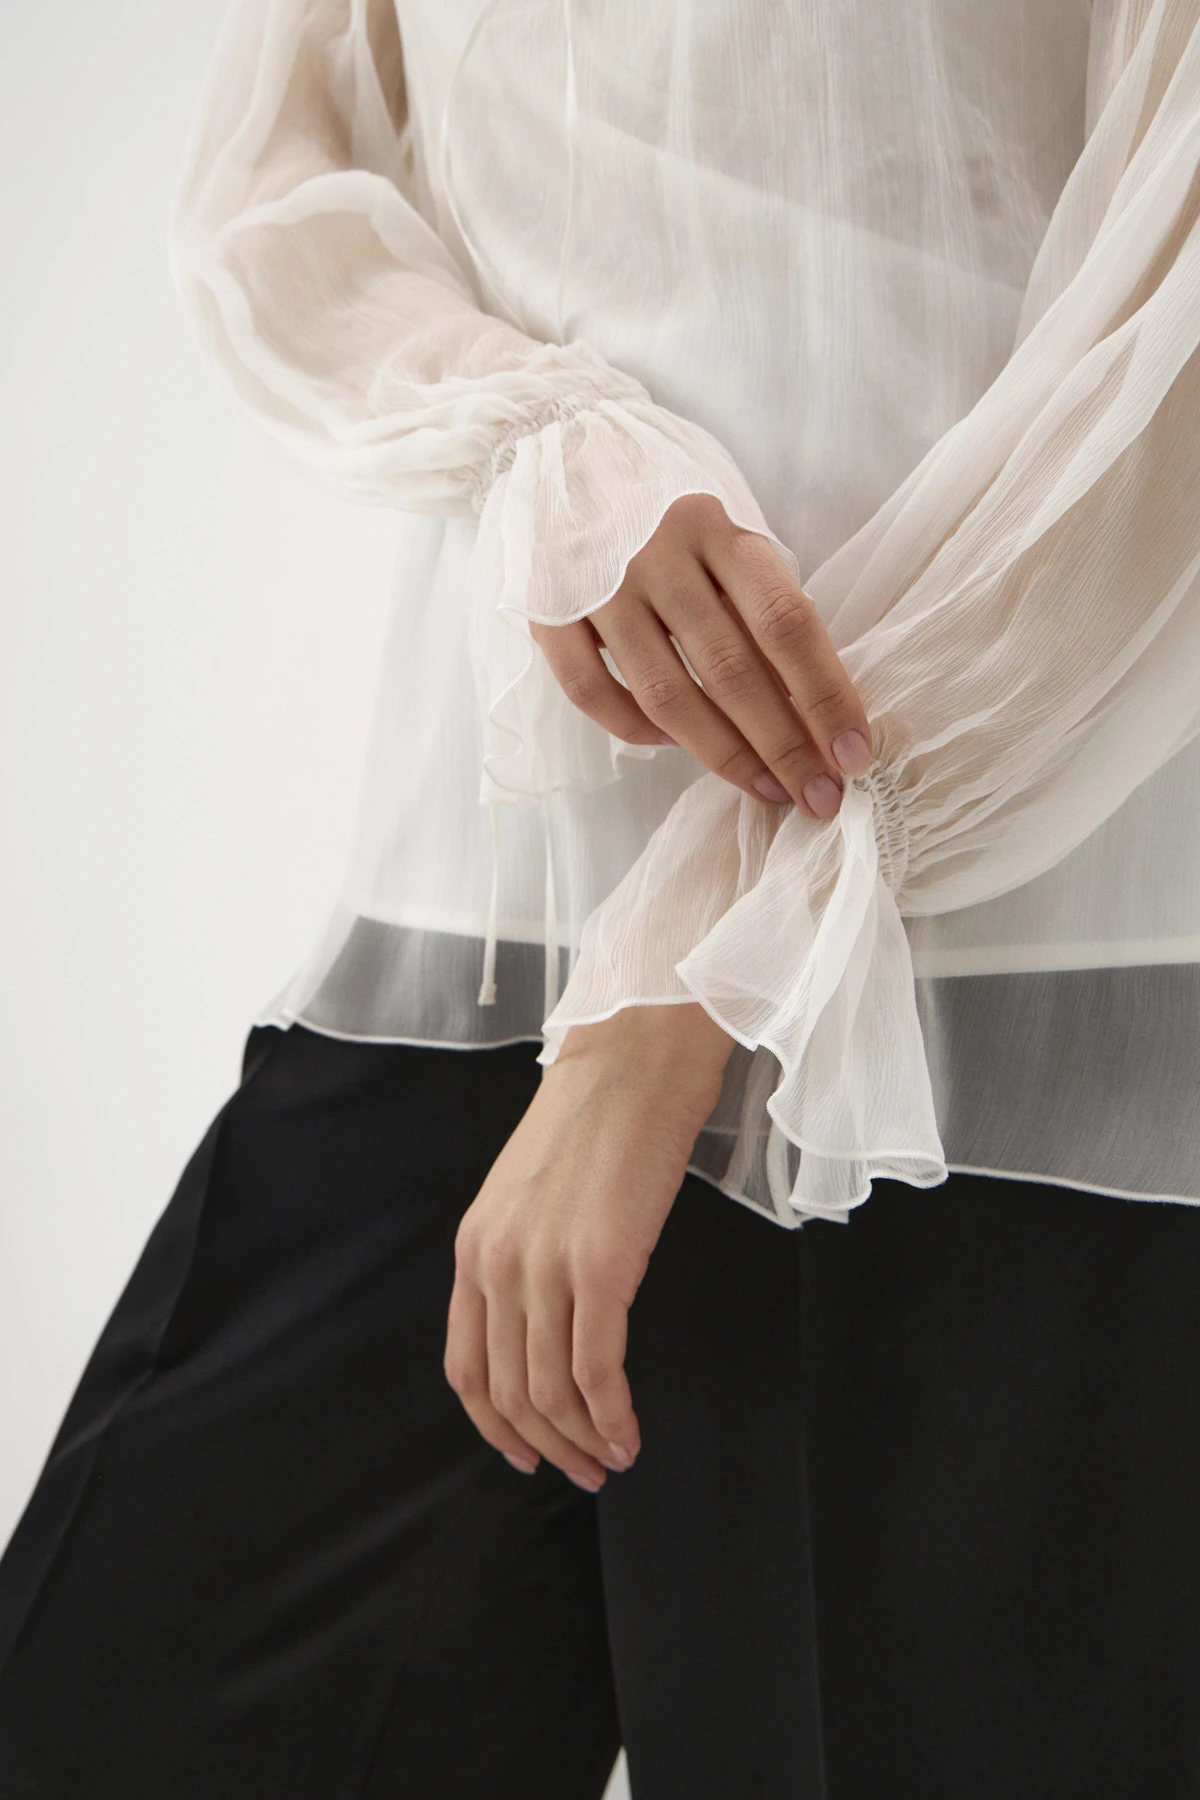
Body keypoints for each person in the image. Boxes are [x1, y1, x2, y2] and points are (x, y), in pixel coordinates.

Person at [3, 0, 1200, 1794]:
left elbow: (1169, 356)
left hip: (985, 994)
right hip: (490, 940)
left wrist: (685, 982)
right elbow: (274, 187)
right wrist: (539, 436)